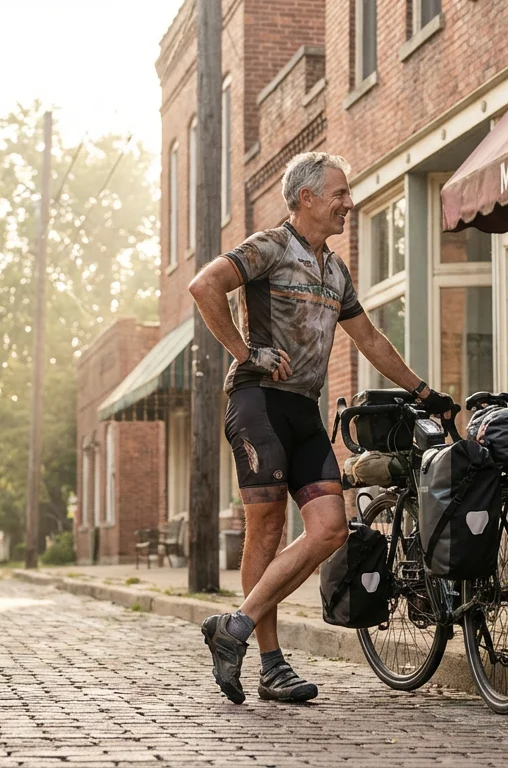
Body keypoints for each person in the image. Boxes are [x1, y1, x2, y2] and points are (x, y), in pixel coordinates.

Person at [188, 151, 455, 703]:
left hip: (304, 410)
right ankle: (270, 664)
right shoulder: (269, 246)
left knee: (331, 527)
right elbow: (204, 286)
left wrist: (424, 392)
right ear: (305, 197)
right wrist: (246, 352)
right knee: (266, 528)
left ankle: (233, 628)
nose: (348, 203)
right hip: (258, 401)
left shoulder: (335, 270)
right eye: (339, 193)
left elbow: (372, 341)